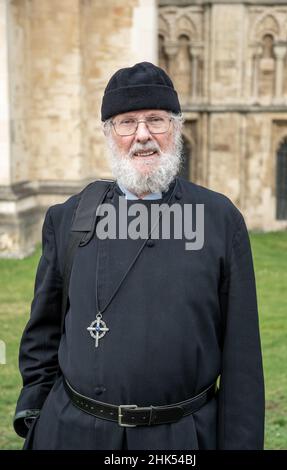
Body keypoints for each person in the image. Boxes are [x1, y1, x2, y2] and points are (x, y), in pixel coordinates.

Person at [14, 62, 265, 450]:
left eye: (156, 120)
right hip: (73, 434)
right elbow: (41, 337)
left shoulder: (219, 220)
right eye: (127, 122)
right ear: (108, 134)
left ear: (176, 128)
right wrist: (35, 415)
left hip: (181, 439)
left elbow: (243, 359)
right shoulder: (67, 219)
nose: (142, 135)